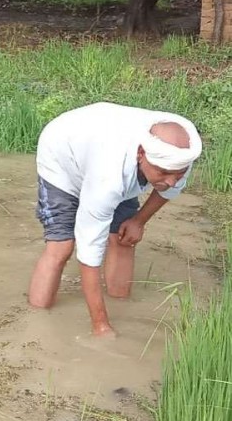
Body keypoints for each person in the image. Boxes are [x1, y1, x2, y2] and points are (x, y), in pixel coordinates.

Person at [29, 102, 202, 337]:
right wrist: (100, 325)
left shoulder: (181, 152)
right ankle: (35, 321)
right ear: (141, 154)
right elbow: (90, 253)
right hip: (62, 154)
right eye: (163, 173)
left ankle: (121, 303)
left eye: (178, 174)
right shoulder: (109, 176)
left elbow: (170, 188)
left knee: (124, 236)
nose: (172, 180)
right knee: (61, 246)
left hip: (105, 144)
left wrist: (139, 221)